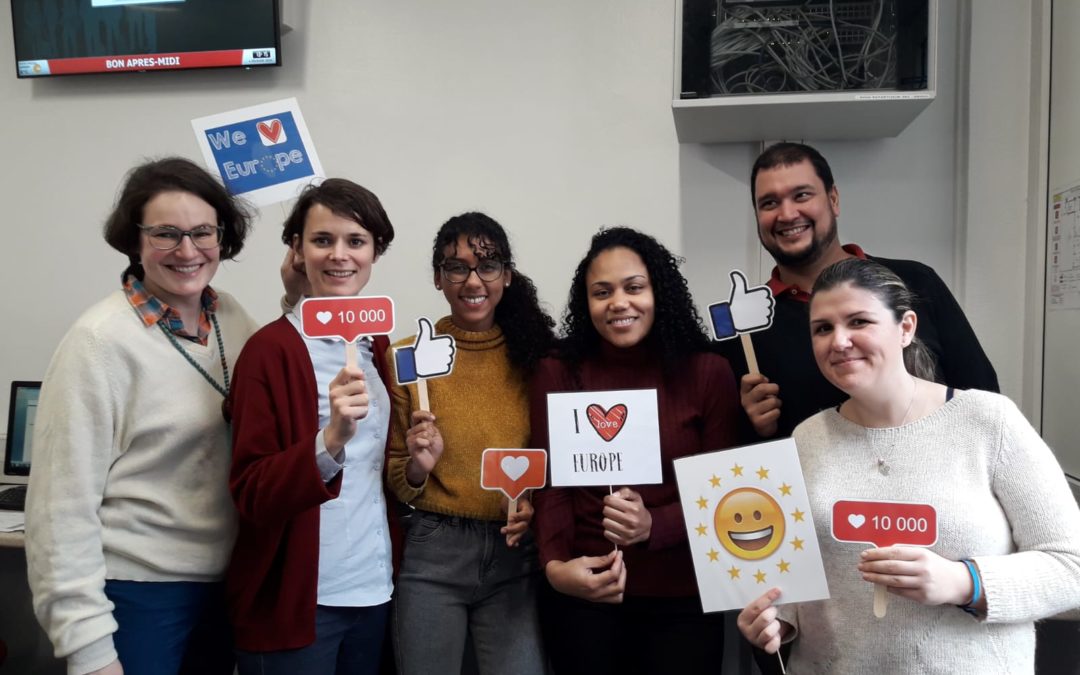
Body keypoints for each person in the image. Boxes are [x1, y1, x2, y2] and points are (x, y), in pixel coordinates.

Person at [737, 258, 1080, 674]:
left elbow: (1071, 567)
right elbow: (797, 577)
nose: (839, 341)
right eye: (823, 328)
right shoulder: (807, 437)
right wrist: (777, 621)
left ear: (906, 328)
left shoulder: (989, 422)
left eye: (859, 321)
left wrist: (963, 583)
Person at [25, 157, 260, 675]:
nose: (187, 250)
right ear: (134, 240)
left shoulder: (234, 319)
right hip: (137, 593)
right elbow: (59, 510)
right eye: (166, 234)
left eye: (203, 232)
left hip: (223, 588)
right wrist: (90, 652)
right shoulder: (98, 342)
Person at [530, 227, 741, 675]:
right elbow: (553, 485)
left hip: (683, 597)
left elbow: (726, 495)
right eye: (601, 292)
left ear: (658, 292)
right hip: (586, 592)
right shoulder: (558, 371)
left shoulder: (709, 373)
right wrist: (554, 567)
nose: (618, 303)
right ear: (586, 304)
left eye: (634, 287)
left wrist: (654, 524)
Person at [226, 179, 401, 674]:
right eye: (322, 240)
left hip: (373, 588)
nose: (339, 255)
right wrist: (330, 442)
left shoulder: (377, 348)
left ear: (376, 252)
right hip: (296, 598)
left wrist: (417, 463)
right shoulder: (269, 351)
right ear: (298, 251)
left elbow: (376, 473)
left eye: (356, 241)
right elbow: (251, 491)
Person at [719, 142, 999, 440]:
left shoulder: (915, 281)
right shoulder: (742, 328)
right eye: (769, 203)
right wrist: (752, 426)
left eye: (801, 195)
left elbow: (982, 395)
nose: (787, 214)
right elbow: (733, 454)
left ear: (833, 199)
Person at [386, 212, 555, 675]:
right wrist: (419, 467)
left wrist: (536, 503)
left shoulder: (539, 356)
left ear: (507, 275)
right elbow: (399, 477)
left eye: (488, 264)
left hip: (515, 552)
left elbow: (561, 459)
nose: (472, 280)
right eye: (457, 267)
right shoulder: (407, 357)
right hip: (432, 549)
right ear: (439, 278)